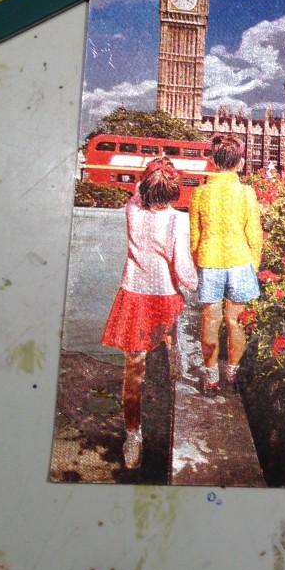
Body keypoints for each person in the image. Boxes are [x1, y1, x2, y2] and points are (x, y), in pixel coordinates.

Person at [100, 160, 197, 470]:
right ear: (175, 191)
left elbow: (134, 193)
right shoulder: (179, 221)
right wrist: (196, 285)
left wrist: (151, 173)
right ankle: (173, 356)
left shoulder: (132, 210)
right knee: (168, 343)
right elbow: (182, 269)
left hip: (134, 295)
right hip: (165, 296)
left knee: (134, 369)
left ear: (142, 189)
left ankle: (132, 435)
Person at [189, 134, 262, 396]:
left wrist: (200, 262)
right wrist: (253, 264)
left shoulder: (200, 194)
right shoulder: (246, 193)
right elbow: (254, 234)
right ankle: (232, 372)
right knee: (236, 321)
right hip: (241, 261)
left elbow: (194, 237)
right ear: (240, 163)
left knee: (210, 320)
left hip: (210, 262)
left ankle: (211, 377)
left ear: (211, 161)